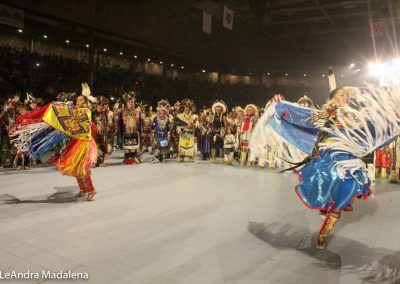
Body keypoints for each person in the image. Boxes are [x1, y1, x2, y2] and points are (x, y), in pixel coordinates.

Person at [250, 86, 400, 250]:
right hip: (329, 154)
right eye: (342, 95)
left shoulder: (355, 116)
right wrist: (281, 106)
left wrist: (390, 121)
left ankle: (324, 229)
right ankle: (325, 205)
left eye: (347, 96)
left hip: (350, 157)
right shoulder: (326, 113)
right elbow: (303, 116)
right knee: (329, 178)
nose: (346, 97)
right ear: (333, 98)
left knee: (348, 188)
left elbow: (374, 130)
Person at [10, 83, 98, 201]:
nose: (78, 102)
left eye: (81, 100)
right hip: (74, 142)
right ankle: (82, 189)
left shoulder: (86, 111)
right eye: (77, 100)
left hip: (83, 143)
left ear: (86, 102)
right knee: (75, 167)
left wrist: (67, 107)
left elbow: (75, 117)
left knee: (83, 168)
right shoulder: (74, 110)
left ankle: (91, 190)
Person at [119, 92, 142, 164]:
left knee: (134, 146)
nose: (131, 103)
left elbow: (139, 121)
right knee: (127, 145)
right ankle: (127, 157)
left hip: (134, 131)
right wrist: (121, 131)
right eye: (130, 102)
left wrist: (139, 129)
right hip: (126, 131)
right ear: (126, 102)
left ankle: (132, 157)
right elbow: (120, 123)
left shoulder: (137, 112)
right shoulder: (123, 112)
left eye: (132, 102)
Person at [92, 96, 109, 167]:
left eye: (102, 106)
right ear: (96, 106)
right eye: (99, 106)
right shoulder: (93, 114)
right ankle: (94, 161)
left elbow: (106, 123)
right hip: (95, 134)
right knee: (95, 147)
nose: (101, 107)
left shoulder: (104, 114)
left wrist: (107, 127)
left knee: (102, 147)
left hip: (103, 133)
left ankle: (101, 161)